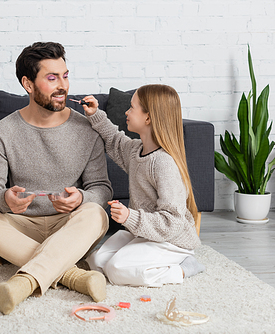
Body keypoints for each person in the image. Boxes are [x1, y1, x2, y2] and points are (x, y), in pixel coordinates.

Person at [0, 42, 113, 314]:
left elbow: (102, 188)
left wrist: (82, 197)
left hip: (68, 225)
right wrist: (4, 199)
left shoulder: (87, 129)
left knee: (96, 213)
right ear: (28, 84)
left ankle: (24, 283)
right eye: (51, 78)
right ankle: (73, 276)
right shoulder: (3, 132)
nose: (63, 85)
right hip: (21, 224)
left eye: (65, 75)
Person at [82, 84, 205, 287]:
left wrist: (130, 216)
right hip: (146, 234)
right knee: (95, 261)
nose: (126, 112)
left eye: (132, 107)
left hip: (171, 241)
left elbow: (172, 221)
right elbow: (114, 140)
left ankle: (184, 267)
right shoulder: (136, 150)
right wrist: (95, 114)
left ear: (148, 117)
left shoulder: (164, 163)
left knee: (116, 270)